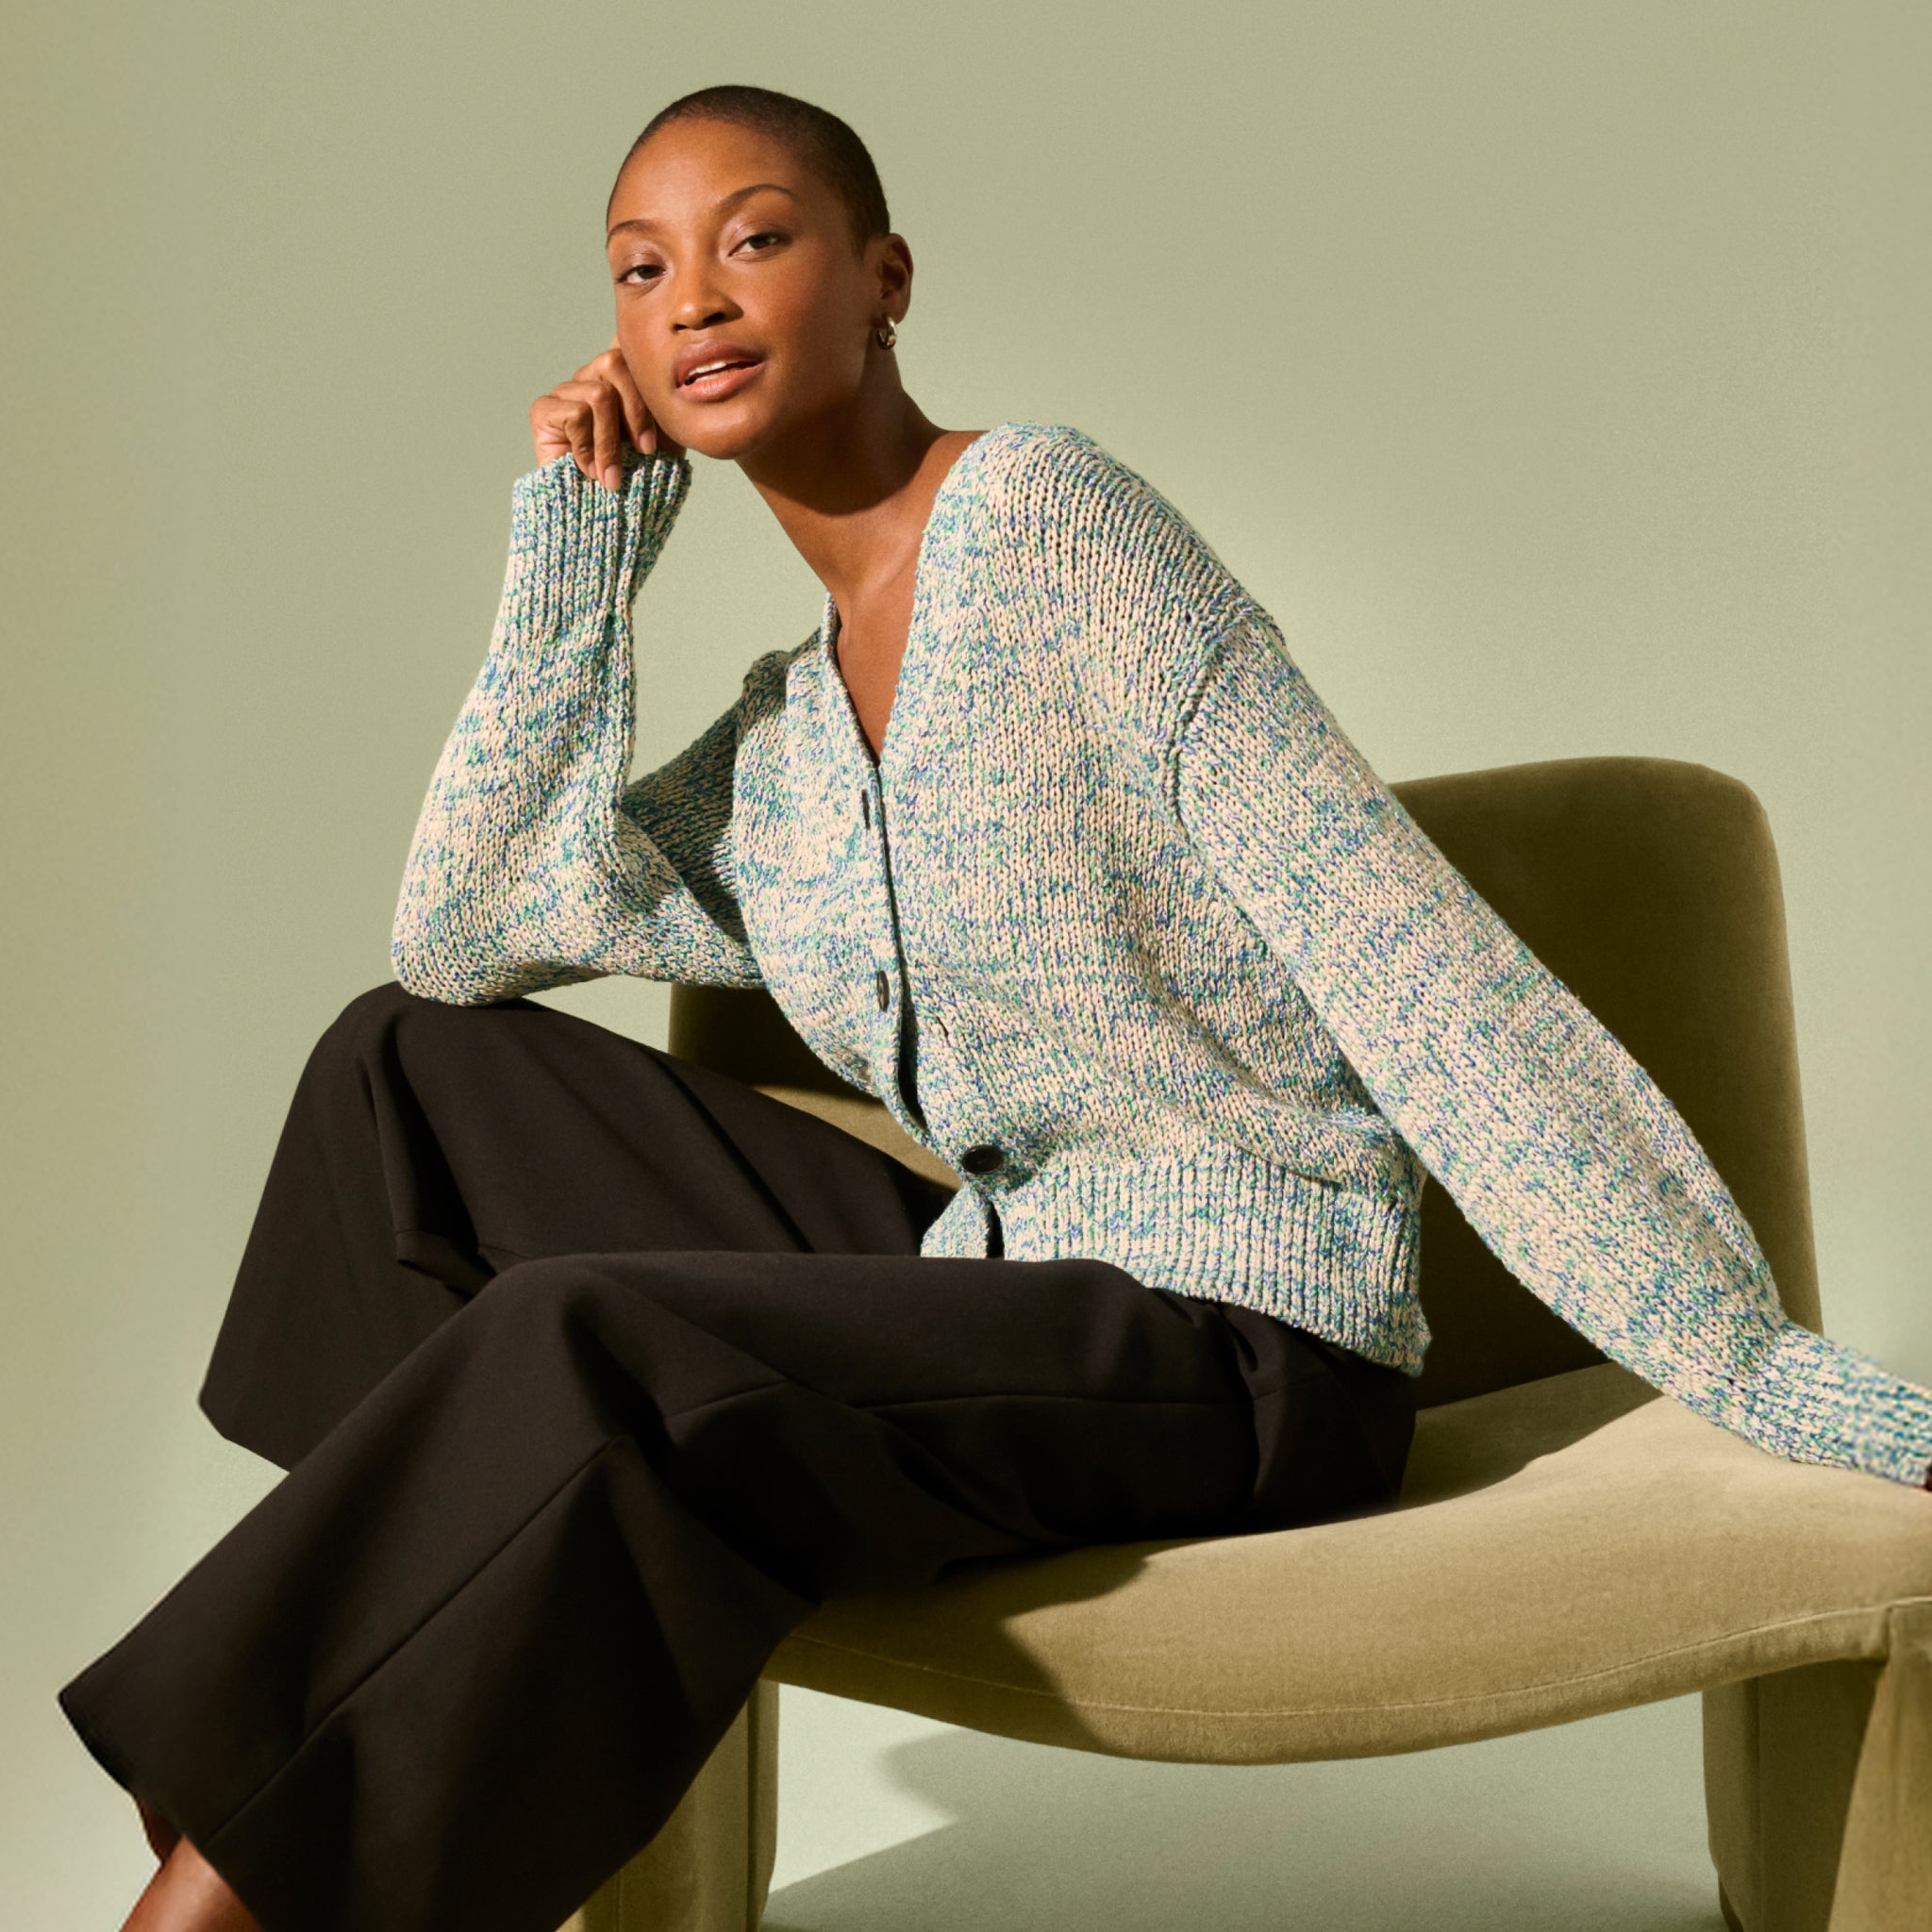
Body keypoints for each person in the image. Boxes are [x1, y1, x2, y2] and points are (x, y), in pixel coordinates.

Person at [58, 82, 1932, 1932]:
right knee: (398, 1075)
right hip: (1003, 1271)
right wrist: (578, 562)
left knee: (583, 1334)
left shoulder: (1054, 530)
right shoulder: (790, 743)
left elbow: (1411, 958)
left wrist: (1746, 1352)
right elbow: (464, 933)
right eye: (641, 268)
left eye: (754, 239)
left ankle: (247, 1873)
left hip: (1244, 1340)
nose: (693, 297)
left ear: (883, 279)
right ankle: (398, 1728)